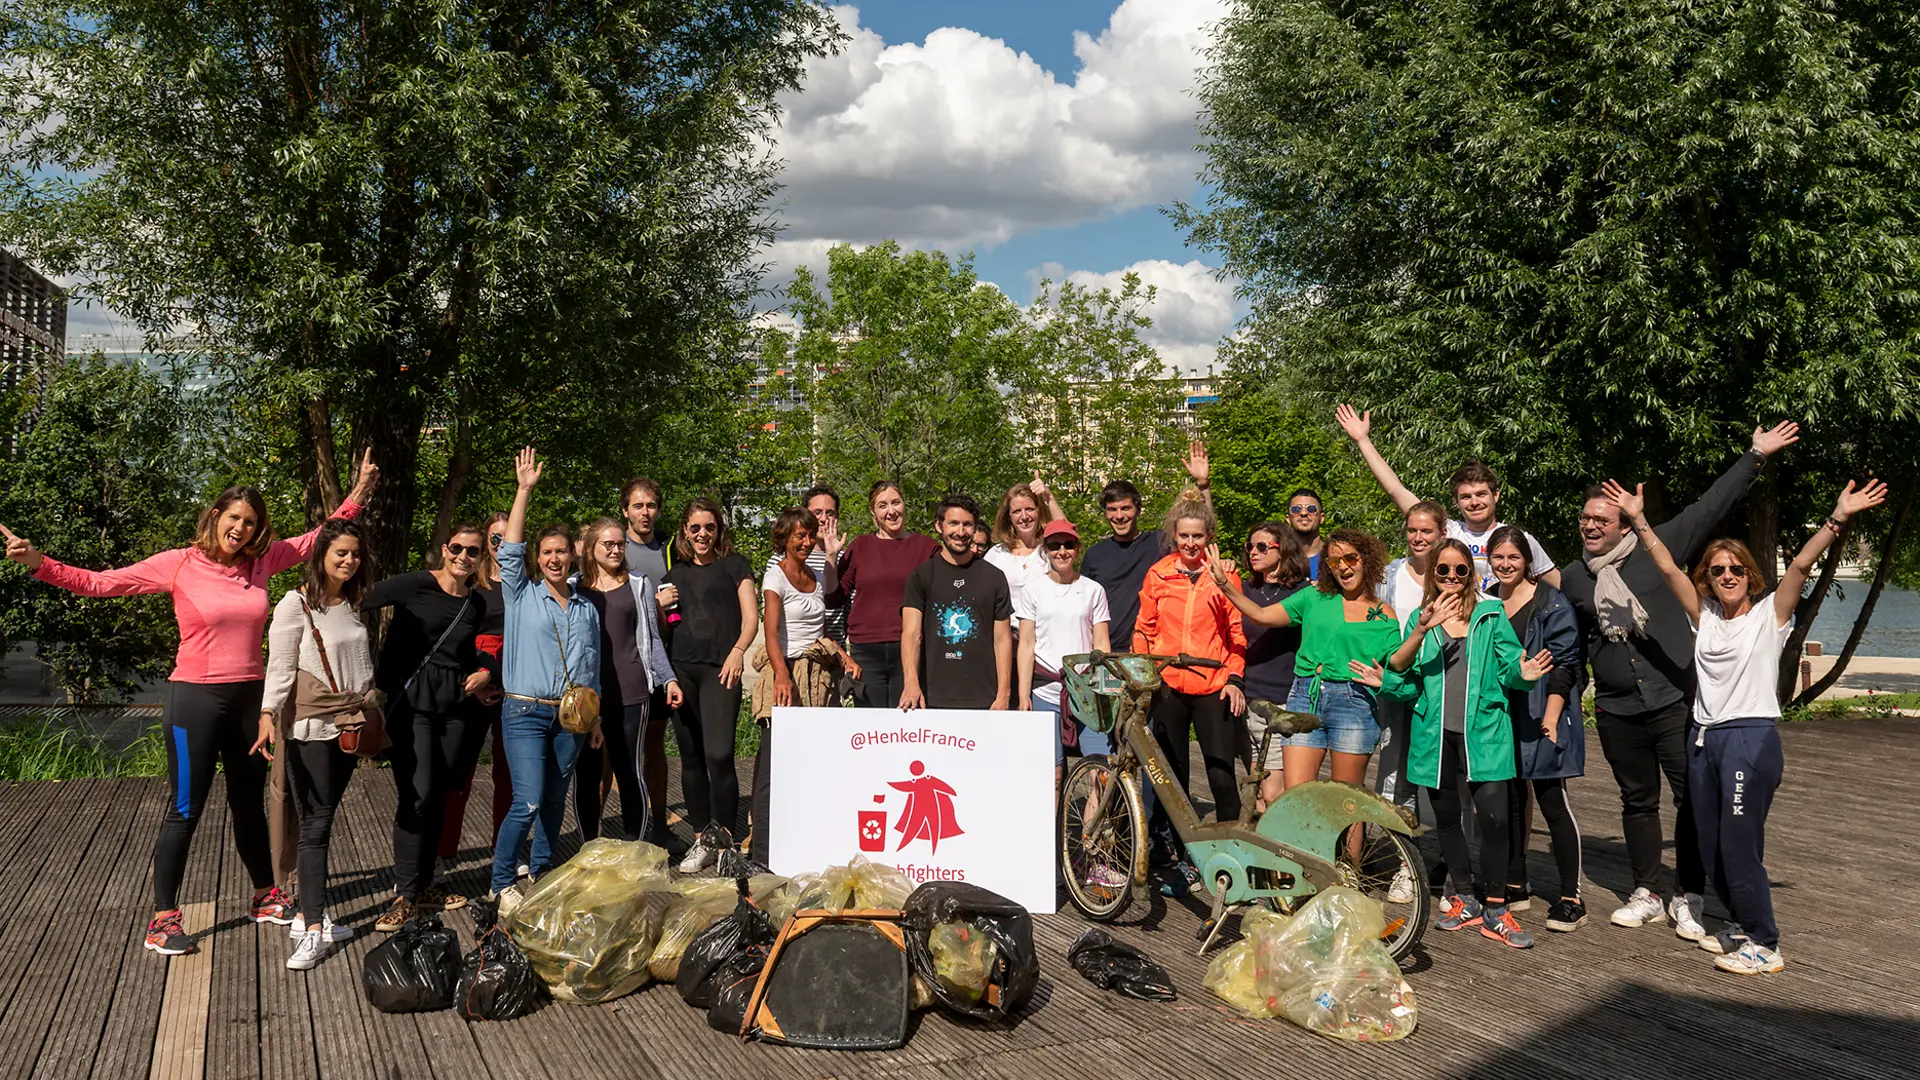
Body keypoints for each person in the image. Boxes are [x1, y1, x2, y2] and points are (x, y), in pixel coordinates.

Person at [1, 451, 378, 957]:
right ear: (215, 517)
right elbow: (102, 582)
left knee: (249, 802)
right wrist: (39, 564)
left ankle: (265, 896)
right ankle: (162, 918)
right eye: (234, 519)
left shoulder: (262, 565)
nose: (241, 529)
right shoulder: (178, 564)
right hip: (194, 699)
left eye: (250, 523)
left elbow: (320, 539)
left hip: (249, 697)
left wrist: (358, 493)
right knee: (186, 807)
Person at [1609, 475, 1885, 974]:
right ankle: (1739, 922)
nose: (1728, 574)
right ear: (1708, 579)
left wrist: (1838, 518)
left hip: (1749, 738)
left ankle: (1765, 943)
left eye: (1736, 568)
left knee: (1738, 845)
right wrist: (1638, 520)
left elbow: (1801, 565)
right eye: (1718, 570)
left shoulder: (1769, 615)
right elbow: (1668, 567)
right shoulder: (1705, 616)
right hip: (1703, 738)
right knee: (1711, 845)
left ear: (1750, 574)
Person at [1559, 421, 1800, 937]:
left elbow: (1712, 505)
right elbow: (1572, 645)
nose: (1591, 525)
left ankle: (1689, 892)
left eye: (1603, 518)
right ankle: (1646, 889)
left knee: (1691, 796)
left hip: (1675, 701)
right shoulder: (1575, 576)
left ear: (1625, 523)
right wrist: (1560, 703)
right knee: (1636, 799)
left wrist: (1755, 456)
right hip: (1618, 708)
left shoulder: (1657, 546)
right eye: (1585, 518)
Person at [1357, 538, 1552, 948]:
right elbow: (1403, 671)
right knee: (1445, 820)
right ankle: (1464, 897)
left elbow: (1510, 666)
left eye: (1459, 570)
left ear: (1471, 574)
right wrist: (1390, 675)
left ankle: (1496, 908)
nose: (1450, 577)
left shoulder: (1490, 613)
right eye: (1441, 570)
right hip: (1435, 735)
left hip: (1486, 734)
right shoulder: (1421, 620)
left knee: (1496, 819)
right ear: (1433, 575)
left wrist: (1526, 672)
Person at [362, 522, 495, 931]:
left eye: (473, 552)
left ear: (480, 560)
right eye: (457, 548)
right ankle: (405, 895)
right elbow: (357, 599)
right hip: (412, 704)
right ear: (444, 548)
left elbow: (473, 653)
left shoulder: (476, 603)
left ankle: (428, 884)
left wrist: (486, 672)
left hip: (454, 706)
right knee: (416, 797)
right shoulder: (417, 584)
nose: (463, 557)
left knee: (441, 794)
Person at [259, 520, 375, 969]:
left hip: (350, 723)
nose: (348, 561)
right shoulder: (296, 604)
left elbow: (360, 664)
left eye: (355, 555)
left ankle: (311, 915)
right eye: (340, 553)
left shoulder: (351, 602)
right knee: (316, 824)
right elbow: (281, 667)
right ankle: (310, 928)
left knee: (321, 819)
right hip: (310, 727)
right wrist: (269, 715)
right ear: (321, 554)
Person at [490, 448, 602, 899]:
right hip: (525, 711)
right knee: (528, 800)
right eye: (547, 552)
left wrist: (594, 721)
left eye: (561, 552)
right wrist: (523, 491)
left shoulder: (585, 608)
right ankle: (500, 882)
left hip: (570, 717)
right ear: (538, 559)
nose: (555, 559)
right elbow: (510, 550)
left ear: (572, 558)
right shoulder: (520, 594)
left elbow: (591, 668)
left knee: (555, 801)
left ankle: (541, 871)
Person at [1215, 528, 1401, 796]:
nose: (1343, 567)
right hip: (1306, 696)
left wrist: (1419, 632)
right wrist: (1224, 584)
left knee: (1346, 801)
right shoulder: (1314, 596)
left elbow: (1398, 664)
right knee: (1296, 799)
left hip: (1352, 701)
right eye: (1334, 561)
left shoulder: (1382, 613)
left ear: (1366, 560)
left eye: (1350, 558)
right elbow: (1261, 616)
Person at [1334, 404, 1560, 589]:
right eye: (1466, 497)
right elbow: (1396, 490)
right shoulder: (1448, 532)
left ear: (1496, 495)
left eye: (1481, 494)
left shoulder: (1519, 539)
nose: (1474, 502)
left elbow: (1557, 585)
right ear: (1456, 502)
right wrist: (1362, 440)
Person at [1487, 525, 1588, 931]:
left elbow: (1567, 664)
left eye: (1513, 557)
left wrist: (1551, 715)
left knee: (1552, 801)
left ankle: (1570, 896)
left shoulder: (1552, 603)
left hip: (1543, 710)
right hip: (1500, 715)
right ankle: (1516, 882)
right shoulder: (1487, 602)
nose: (1506, 565)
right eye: (1498, 558)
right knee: (1510, 800)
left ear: (1528, 561)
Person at [753, 507, 860, 866]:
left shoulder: (816, 574)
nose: (805, 541)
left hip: (818, 676)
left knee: (816, 761)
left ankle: (810, 840)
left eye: (809, 534)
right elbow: (770, 633)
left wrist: (844, 657)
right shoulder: (774, 577)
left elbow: (820, 629)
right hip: (786, 672)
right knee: (774, 762)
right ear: (784, 539)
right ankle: (764, 851)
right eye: (798, 535)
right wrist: (782, 675)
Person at [1136, 494, 1247, 823]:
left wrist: (1235, 680)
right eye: (1184, 535)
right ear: (1174, 535)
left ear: (1208, 536)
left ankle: (1230, 850)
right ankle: (1174, 852)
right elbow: (1144, 630)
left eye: (1197, 536)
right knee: (1172, 776)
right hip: (1168, 685)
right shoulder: (1159, 574)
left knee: (1221, 775)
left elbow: (1237, 634)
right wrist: (1145, 678)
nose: (1190, 542)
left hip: (1213, 685)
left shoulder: (1223, 576)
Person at [663, 496, 757, 872]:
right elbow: (662, 628)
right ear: (685, 531)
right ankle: (702, 838)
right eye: (695, 528)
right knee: (692, 759)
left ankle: (727, 843)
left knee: (719, 756)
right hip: (683, 671)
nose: (702, 534)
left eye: (709, 527)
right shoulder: (674, 575)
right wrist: (658, 605)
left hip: (722, 670)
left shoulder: (735, 566)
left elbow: (751, 619)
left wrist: (737, 651)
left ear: (719, 530)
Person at [577, 518, 683, 844]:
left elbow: (651, 638)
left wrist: (669, 680)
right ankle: (588, 847)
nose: (614, 549)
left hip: (631, 689)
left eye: (619, 543)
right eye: (607, 544)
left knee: (629, 769)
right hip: (587, 694)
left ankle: (633, 847)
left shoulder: (637, 584)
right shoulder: (573, 586)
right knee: (588, 773)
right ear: (591, 548)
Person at [436, 511, 509, 887]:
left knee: (507, 772)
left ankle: (505, 848)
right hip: (473, 678)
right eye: (494, 539)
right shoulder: (471, 585)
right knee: (458, 770)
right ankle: (444, 852)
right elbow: (458, 639)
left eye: (508, 539)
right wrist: (478, 681)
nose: (501, 546)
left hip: (511, 676)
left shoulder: (522, 583)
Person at [1081, 441, 1212, 649]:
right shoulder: (1095, 555)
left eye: (1125, 508)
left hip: (1152, 651)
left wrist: (1203, 485)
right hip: (1106, 652)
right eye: (1112, 509)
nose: (1119, 516)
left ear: (1138, 509)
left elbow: (1201, 531)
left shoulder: (1160, 544)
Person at [1015, 518, 1111, 775]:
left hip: (1087, 692)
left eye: (1068, 544)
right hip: (1046, 691)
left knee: (1101, 771)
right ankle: (1052, 817)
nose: (1062, 551)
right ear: (1045, 550)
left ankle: (1096, 817)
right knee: (1052, 774)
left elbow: (1102, 644)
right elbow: (1026, 644)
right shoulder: (1033, 590)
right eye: (1054, 545)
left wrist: (1103, 689)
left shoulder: (1093, 590)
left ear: (1077, 548)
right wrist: (1024, 696)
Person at [900, 494, 1012, 711]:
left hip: (985, 699)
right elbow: (911, 634)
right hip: (931, 697)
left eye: (967, 525)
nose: (960, 532)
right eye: (953, 523)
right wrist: (910, 683)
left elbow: (1002, 640)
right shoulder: (921, 576)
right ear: (939, 526)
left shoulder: (994, 578)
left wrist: (1004, 694)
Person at [836, 481, 938, 708]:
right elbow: (835, 597)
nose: (891, 511)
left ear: (905, 505)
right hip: (866, 650)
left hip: (911, 648)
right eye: (882, 505)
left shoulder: (927, 547)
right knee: (872, 727)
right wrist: (830, 560)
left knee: (908, 723)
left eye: (896, 503)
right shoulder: (860, 546)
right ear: (873, 513)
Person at [1375, 502, 1446, 810]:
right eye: (1412, 530)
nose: (1418, 537)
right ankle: (1394, 847)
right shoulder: (1389, 574)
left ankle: (1445, 848)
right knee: (1393, 762)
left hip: (1440, 677)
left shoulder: (1453, 573)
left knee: (1442, 764)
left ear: (1442, 534)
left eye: (1426, 531)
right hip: (1396, 677)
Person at [1236, 522, 1311, 812]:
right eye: (1250, 546)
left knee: (1274, 792)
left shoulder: (1304, 592)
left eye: (1262, 547)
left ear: (1283, 550)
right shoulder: (1247, 589)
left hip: (1282, 700)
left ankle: (1288, 853)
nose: (1254, 552)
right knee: (1255, 793)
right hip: (1246, 699)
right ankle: (1265, 856)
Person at [619, 478, 676, 846]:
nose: (645, 512)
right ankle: (606, 835)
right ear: (625, 509)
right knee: (613, 748)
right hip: (623, 661)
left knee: (655, 743)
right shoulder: (612, 547)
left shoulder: (671, 548)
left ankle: (659, 825)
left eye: (651, 505)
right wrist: (656, 604)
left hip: (662, 659)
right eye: (638, 506)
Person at [763, 486, 849, 648]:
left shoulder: (844, 558)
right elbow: (771, 621)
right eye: (817, 513)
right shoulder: (781, 560)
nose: (823, 519)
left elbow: (843, 608)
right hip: (794, 653)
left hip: (834, 654)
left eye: (829, 513)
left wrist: (831, 555)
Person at [984, 474, 1067, 625]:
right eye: (1017, 511)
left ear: (1039, 511)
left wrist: (1049, 498)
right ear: (1008, 516)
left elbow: (1065, 531)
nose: (1024, 516)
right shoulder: (996, 554)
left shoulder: (1050, 551)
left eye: (1029, 509)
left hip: (1044, 636)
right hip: (1006, 637)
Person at [1284, 488, 1327, 577]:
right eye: (1296, 509)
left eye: (1311, 509)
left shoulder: (1334, 557)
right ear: (1288, 519)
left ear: (1322, 517)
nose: (1303, 513)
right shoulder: (1279, 559)